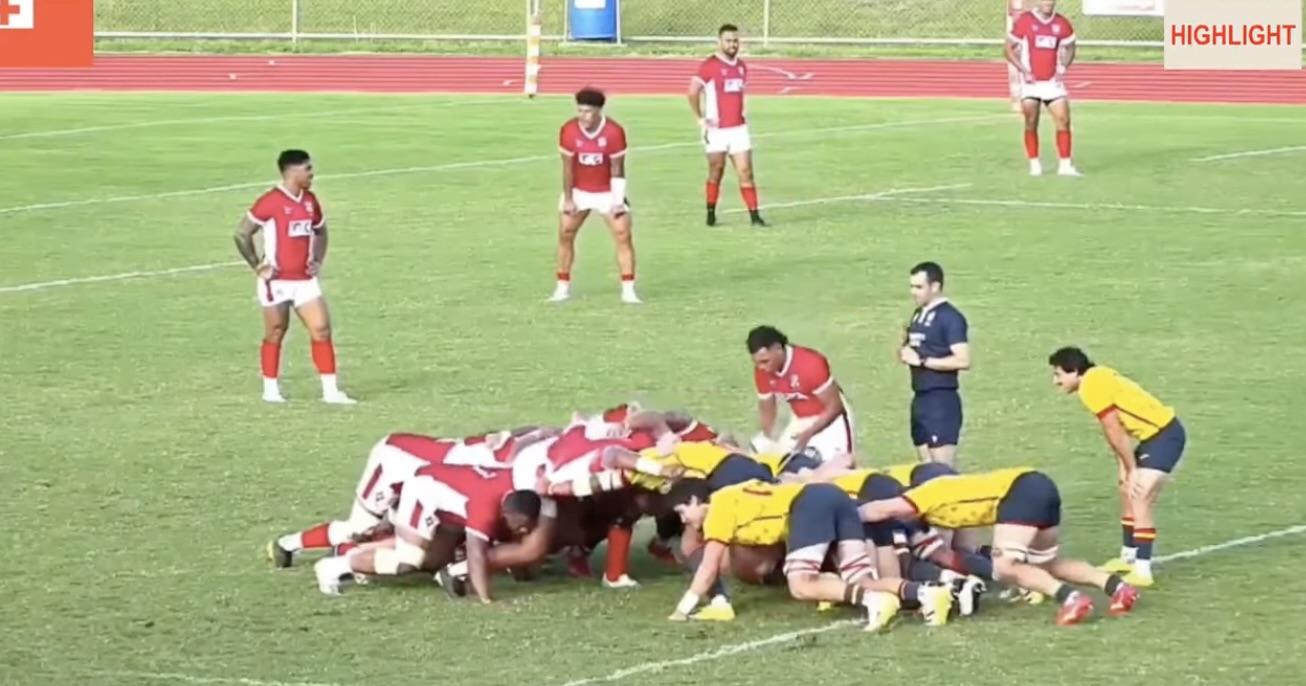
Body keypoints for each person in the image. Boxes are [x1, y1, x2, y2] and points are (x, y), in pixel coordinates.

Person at [858, 467, 1139, 625]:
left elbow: (882, 510)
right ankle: (1117, 587)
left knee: (1006, 568)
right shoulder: (946, 493)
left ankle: (1071, 598)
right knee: (1045, 565)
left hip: (1019, 494)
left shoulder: (926, 495)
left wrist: (847, 514)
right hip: (1038, 485)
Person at [665, 478, 953, 630]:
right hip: (832, 496)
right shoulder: (735, 493)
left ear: (694, 500)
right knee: (860, 578)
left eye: (682, 511)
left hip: (809, 504)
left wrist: (682, 609)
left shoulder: (717, 510)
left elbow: (709, 565)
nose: (684, 520)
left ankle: (874, 601)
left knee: (801, 585)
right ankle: (928, 594)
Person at [1049, 346, 1187, 588]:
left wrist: (1132, 468)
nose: (1055, 381)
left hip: (1165, 437)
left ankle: (1142, 571)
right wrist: (1124, 467)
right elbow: (1116, 431)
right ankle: (1128, 556)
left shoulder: (1091, 387)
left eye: (1058, 374)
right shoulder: (1097, 377)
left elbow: (1114, 429)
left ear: (1074, 371)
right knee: (1126, 490)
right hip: (1152, 438)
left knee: (1140, 495)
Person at [233, 149, 355, 404]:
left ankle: (331, 392)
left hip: (304, 281)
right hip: (276, 282)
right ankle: (271, 389)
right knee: (276, 331)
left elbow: (321, 232)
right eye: (308, 169)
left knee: (321, 329)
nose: (312, 174)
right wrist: (258, 265)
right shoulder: (270, 201)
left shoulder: (310, 200)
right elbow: (242, 233)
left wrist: (317, 260)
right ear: (292, 171)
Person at [552, 88, 639, 304]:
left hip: (607, 192)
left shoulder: (614, 132)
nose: (584, 117)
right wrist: (569, 198)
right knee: (565, 234)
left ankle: (628, 290)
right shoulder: (569, 130)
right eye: (580, 111)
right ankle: (562, 287)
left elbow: (618, 168)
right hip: (579, 191)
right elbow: (567, 168)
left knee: (623, 236)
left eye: (588, 112)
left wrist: (618, 201)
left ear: (599, 111)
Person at [688, 23, 766, 227]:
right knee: (717, 171)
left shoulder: (742, 66)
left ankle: (755, 217)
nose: (733, 44)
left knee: (746, 172)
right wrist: (700, 117)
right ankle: (711, 212)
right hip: (716, 131)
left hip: (739, 129)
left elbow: (739, 94)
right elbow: (693, 91)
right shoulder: (709, 66)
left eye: (735, 41)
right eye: (729, 41)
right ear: (720, 42)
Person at [748, 325, 855, 462]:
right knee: (784, 464)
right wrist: (767, 437)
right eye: (757, 363)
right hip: (800, 420)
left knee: (837, 467)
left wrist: (809, 433)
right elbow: (767, 407)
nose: (762, 368)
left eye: (765, 361)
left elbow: (835, 406)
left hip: (832, 420)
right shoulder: (762, 372)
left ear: (778, 349)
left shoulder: (810, 364)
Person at [899, 262, 970, 466]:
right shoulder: (918, 315)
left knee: (942, 471)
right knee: (926, 470)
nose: (913, 292)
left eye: (919, 287)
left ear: (935, 287)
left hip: (941, 400)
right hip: (920, 398)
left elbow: (963, 360)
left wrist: (922, 361)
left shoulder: (950, 318)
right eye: (912, 286)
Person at [1005, 0, 1081, 177]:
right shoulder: (1025, 21)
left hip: (1052, 84)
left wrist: (1063, 68)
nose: (1048, 3)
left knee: (1063, 121)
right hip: (1031, 84)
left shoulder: (1062, 23)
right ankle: (1034, 164)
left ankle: (1065, 165)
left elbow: (1070, 47)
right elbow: (1008, 49)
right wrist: (1024, 71)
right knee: (1031, 123)